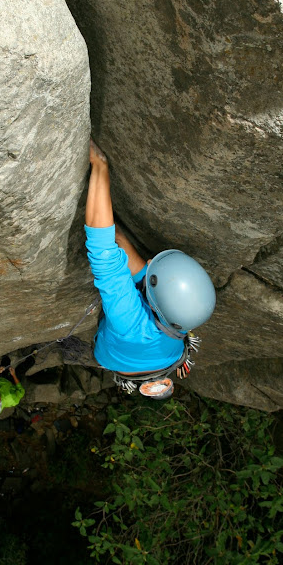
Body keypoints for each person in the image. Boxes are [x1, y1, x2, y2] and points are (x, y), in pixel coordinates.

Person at [85, 139, 216, 389]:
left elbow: (102, 251)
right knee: (118, 242)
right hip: (167, 357)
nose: (148, 260)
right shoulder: (185, 317)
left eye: (151, 266)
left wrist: (100, 166)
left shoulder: (129, 323)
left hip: (114, 358)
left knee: (111, 251)